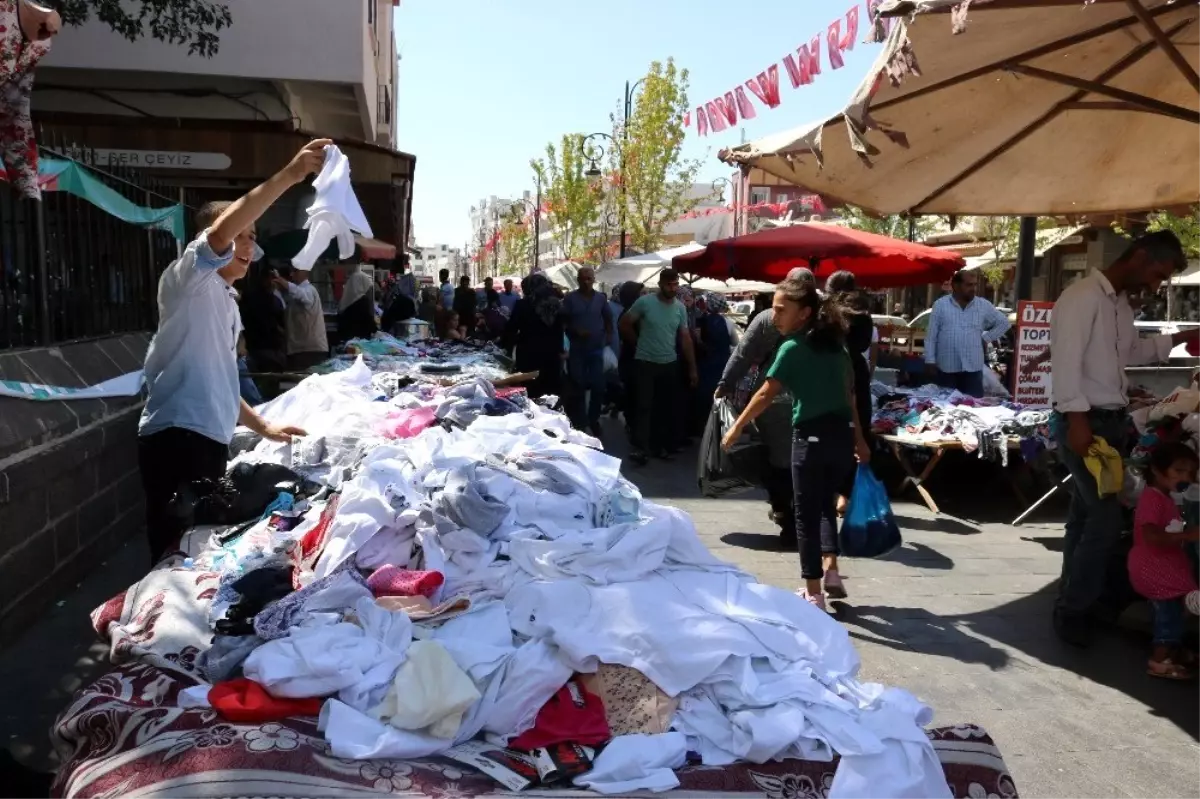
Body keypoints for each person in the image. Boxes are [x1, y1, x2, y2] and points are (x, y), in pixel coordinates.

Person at [137, 140, 323, 564]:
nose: (244, 245)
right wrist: (290, 176)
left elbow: (220, 377)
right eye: (237, 234)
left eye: (252, 236)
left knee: (198, 551)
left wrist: (263, 427)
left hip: (207, 439)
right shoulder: (189, 279)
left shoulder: (225, 297)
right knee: (175, 552)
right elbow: (219, 233)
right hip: (178, 437)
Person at [1050, 230, 1200, 646]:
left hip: (1108, 422)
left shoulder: (1118, 305)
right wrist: (1077, 420)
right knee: (1103, 520)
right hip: (1085, 422)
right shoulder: (1082, 298)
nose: (1155, 284)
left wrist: (1181, 338)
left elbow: (1131, 353)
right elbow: (1065, 364)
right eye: (1157, 273)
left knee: (1084, 516)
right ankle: (1075, 609)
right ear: (1137, 256)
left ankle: (1072, 600)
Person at [720, 277, 870, 610]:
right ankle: (831, 571)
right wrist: (859, 439)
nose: (774, 317)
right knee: (825, 506)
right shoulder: (837, 347)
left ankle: (813, 592)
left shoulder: (792, 348)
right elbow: (851, 397)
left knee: (805, 513)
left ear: (803, 314)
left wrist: (735, 428)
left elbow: (764, 393)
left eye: (780, 310)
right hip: (841, 438)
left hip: (810, 439)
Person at [717, 268, 817, 542]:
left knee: (779, 460)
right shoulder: (819, 322)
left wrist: (724, 384)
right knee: (804, 462)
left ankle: (784, 513)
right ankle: (797, 517)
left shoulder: (766, 318)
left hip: (772, 402)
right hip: (807, 402)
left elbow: (743, 354)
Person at [1129, 442, 1200, 679]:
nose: (1186, 477)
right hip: (1154, 566)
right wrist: (1188, 535)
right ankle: (1159, 660)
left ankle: (1173, 649)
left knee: (1177, 609)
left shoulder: (1166, 497)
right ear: (1158, 470)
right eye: (1179, 470)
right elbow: (1151, 536)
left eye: (1190, 472)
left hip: (1164, 564)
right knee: (1169, 612)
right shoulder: (1153, 499)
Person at [619, 269, 697, 465]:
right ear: (661, 284)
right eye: (669, 284)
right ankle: (641, 448)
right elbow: (625, 324)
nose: (672, 288)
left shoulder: (680, 308)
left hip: (669, 363)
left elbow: (685, 338)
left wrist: (692, 367)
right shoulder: (645, 302)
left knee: (665, 407)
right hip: (645, 362)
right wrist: (637, 343)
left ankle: (660, 446)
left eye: (675, 284)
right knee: (644, 406)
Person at [826, 271, 876, 515]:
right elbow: (865, 345)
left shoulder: (826, 314)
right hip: (856, 371)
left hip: (830, 372)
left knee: (830, 432)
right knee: (858, 431)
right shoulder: (863, 316)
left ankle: (831, 490)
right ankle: (845, 495)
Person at [923, 270, 1010, 397]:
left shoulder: (983, 305)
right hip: (947, 368)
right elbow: (931, 335)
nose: (973, 289)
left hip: (973, 368)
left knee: (972, 407)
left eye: (974, 285)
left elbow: (1004, 323)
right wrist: (929, 360)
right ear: (956, 286)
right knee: (946, 407)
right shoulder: (941, 305)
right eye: (969, 285)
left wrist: (986, 338)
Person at [561, 265, 613, 437]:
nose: (586, 281)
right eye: (583, 278)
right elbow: (563, 322)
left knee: (598, 386)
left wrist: (608, 337)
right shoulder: (569, 299)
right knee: (578, 386)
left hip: (596, 349)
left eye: (589, 278)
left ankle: (593, 419)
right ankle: (581, 422)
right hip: (577, 351)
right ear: (577, 280)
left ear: (594, 280)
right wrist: (575, 331)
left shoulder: (600, 299)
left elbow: (608, 319)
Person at [503, 272, 565, 400]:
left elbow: (511, 329)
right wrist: (560, 350)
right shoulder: (557, 305)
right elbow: (560, 330)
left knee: (531, 394)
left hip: (528, 356)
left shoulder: (523, 305)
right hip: (552, 356)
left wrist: (506, 346)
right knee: (551, 394)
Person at [694, 292, 736, 429]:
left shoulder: (700, 321)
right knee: (720, 396)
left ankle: (702, 427)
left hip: (705, 364)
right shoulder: (728, 323)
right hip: (722, 365)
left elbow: (697, 341)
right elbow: (735, 344)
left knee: (703, 396)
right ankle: (719, 426)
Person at [239, 264, 287, 374]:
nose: (272, 283)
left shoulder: (273, 299)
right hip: (263, 349)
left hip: (263, 348)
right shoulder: (273, 300)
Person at [281, 265, 329, 369]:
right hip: (299, 349)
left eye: (295, 271)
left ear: (304, 272)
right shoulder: (295, 293)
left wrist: (283, 283)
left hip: (310, 350)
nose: (292, 274)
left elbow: (302, 295)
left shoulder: (309, 290)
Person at [338, 266, 378, 342]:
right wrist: (376, 330)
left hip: (347, 337)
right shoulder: (363, 300)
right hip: (360, 339)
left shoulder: (346, 298)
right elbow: (367, 318)